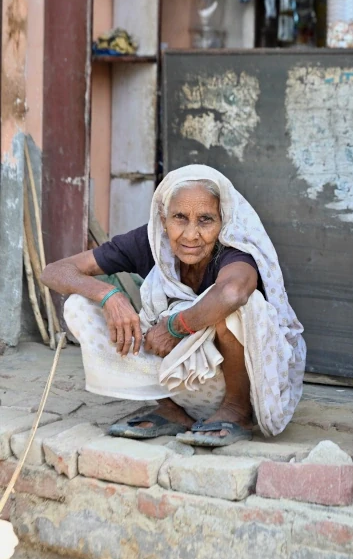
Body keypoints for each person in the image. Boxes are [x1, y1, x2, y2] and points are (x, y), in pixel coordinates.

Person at [41, 165, 306, 447]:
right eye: (180, 218)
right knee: (79, 305)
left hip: (236, 384)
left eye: (205, 220)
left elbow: (232, 293)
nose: (191, 235)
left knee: (241, 306)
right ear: (163, 218)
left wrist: (175, 327)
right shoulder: (151, 241)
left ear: (223, 221)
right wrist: (109, 295)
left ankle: (236, 412)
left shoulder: (235, 250)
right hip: (173, 381)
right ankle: (171, 410)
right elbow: (54, 272)